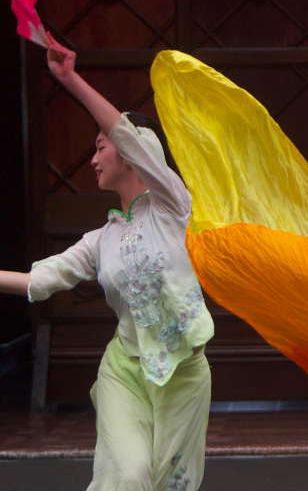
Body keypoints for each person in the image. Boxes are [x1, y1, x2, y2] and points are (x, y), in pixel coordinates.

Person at [0, 34, 214, 491]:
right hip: (124, 372)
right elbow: (42, 278)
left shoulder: (173, 206)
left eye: (101, 147)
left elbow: (123, 131)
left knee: (171, 485)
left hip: (185, 376)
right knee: (130, 476)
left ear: (134, 156)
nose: (94, 158)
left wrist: (70, 78)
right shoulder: (101, 240)